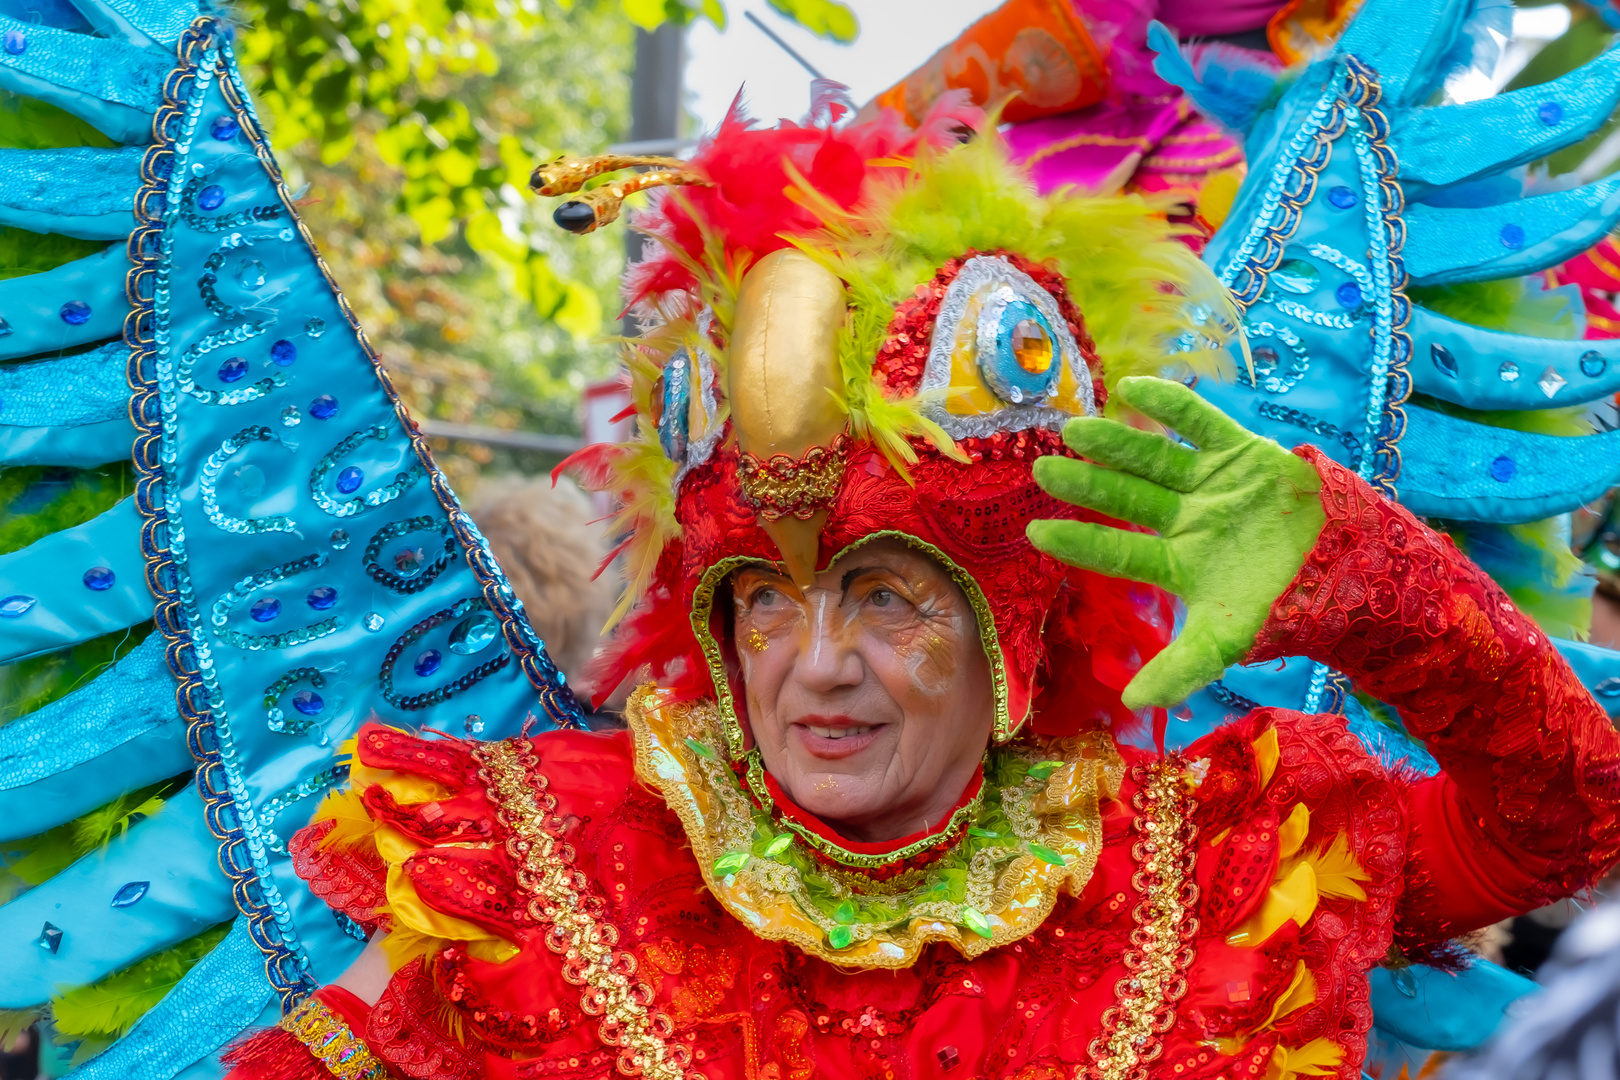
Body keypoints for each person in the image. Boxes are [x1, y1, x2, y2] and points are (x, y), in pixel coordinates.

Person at [219, 106, 1620, 1080]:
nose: (814, 667)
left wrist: (1377, 586)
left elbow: (1570, 818)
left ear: (1017, 626)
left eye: (889, 597)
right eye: (766, 599)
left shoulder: (1222, 871)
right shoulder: (543, 872)